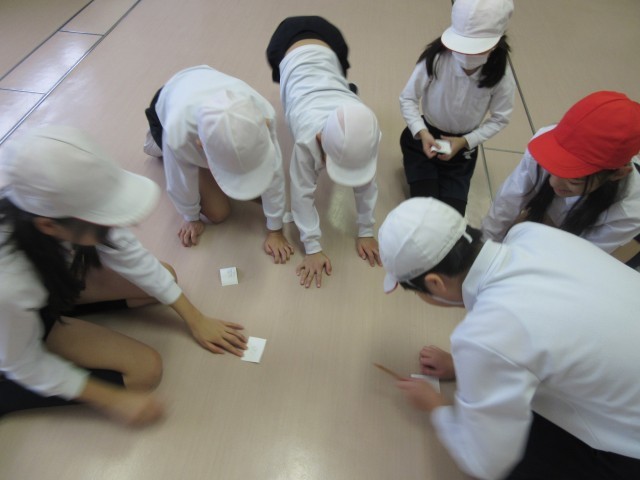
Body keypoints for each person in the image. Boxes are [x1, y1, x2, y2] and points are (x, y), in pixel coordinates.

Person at [378, 197, 640, 480]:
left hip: (628, 445)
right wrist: (466, 366)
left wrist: (437, 407)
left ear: (435, 283)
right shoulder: (531, 234)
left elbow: (486, 463)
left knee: (512, 450)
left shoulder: (487, 336)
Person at [0, 126, 247, 425]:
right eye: (102, 223)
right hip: (14, 330)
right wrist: (112, 399)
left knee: (164, 277)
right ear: (49, 226)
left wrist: (196, 319)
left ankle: (62, 307)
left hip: (47, 284)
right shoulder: (10, 284)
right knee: (145, 371)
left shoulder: (48, 205)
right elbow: (23, 363)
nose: (113, 228)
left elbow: (126, 252)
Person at [267, 16, 382, 288]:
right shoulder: (307, 139)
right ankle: (331, 88)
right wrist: (312, 248)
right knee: (287, 86)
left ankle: (342, 89)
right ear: (320, 138)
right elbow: (301, 195)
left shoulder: (369, 134)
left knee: (339, 83)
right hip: (285, 44)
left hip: (332, 43)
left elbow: (366, 185)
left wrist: (366, 231)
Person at [143, 66, 294, 262]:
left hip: (201, 83)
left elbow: (274, 172)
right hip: (166, 105)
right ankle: (155, 142)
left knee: (261, 191)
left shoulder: (264, 115)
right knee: (218, 213)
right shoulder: (178, 136)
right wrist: (190, 217)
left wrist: (275, 230)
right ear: (200, 145)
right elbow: (178, 180)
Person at [482, 91, 640, 255]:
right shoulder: (549, 143)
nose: (553, 182)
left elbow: (580, 256)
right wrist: (485, 245)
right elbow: (508, 200)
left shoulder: (629, 211)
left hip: (590, 236)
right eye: (552, 169)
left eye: (574, 180)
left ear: (618, 174)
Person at [399, 0, 515, 215]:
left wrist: (465, 141)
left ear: (495, 44)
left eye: (477, 49)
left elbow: (500, 118)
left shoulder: (501, 75)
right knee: (423, 210)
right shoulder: (436, 59)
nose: (466, 56)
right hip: (423, 140)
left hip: (462, 150)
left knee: (450, 217)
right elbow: (407, 98)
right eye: (461, 46)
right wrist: (421, 132)